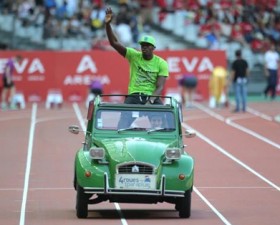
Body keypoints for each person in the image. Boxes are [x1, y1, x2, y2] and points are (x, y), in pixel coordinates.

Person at [105, 6, 169, 105]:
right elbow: (114, 43)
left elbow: (159, 86)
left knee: (165, 117)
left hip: (152, 96)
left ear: (153, 48)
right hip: (134, 95)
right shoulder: (133, 55)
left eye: (147, 46)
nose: (144, 47)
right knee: (124, 120)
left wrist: (150, 101)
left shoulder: (161, 63)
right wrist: (108, 25)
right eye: (142, 45)